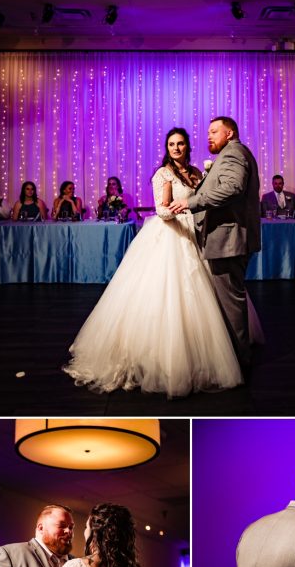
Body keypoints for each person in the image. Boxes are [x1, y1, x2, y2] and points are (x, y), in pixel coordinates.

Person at [64, 126, 242, 397]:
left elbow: (203, 199)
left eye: (180, 144)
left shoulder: (195, 172)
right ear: (167, 148)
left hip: (196, 234)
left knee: (208, 290)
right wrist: (173, 211)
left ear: (187, 146)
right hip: (171, 235)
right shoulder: (164, 173)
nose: (176, 148)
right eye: (171, 144)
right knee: (167, 295)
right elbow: (162, 207)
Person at [169, 115, 262, 372]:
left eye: (214, 131)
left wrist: (191, 202)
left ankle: (238, 364)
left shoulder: (233, 154)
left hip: (229, 240)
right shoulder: (232, 153)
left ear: (229, 134)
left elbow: (232, 188)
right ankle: (236, 357)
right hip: (227, 239)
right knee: (229, 300)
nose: (208, 136)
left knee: (231, 302)